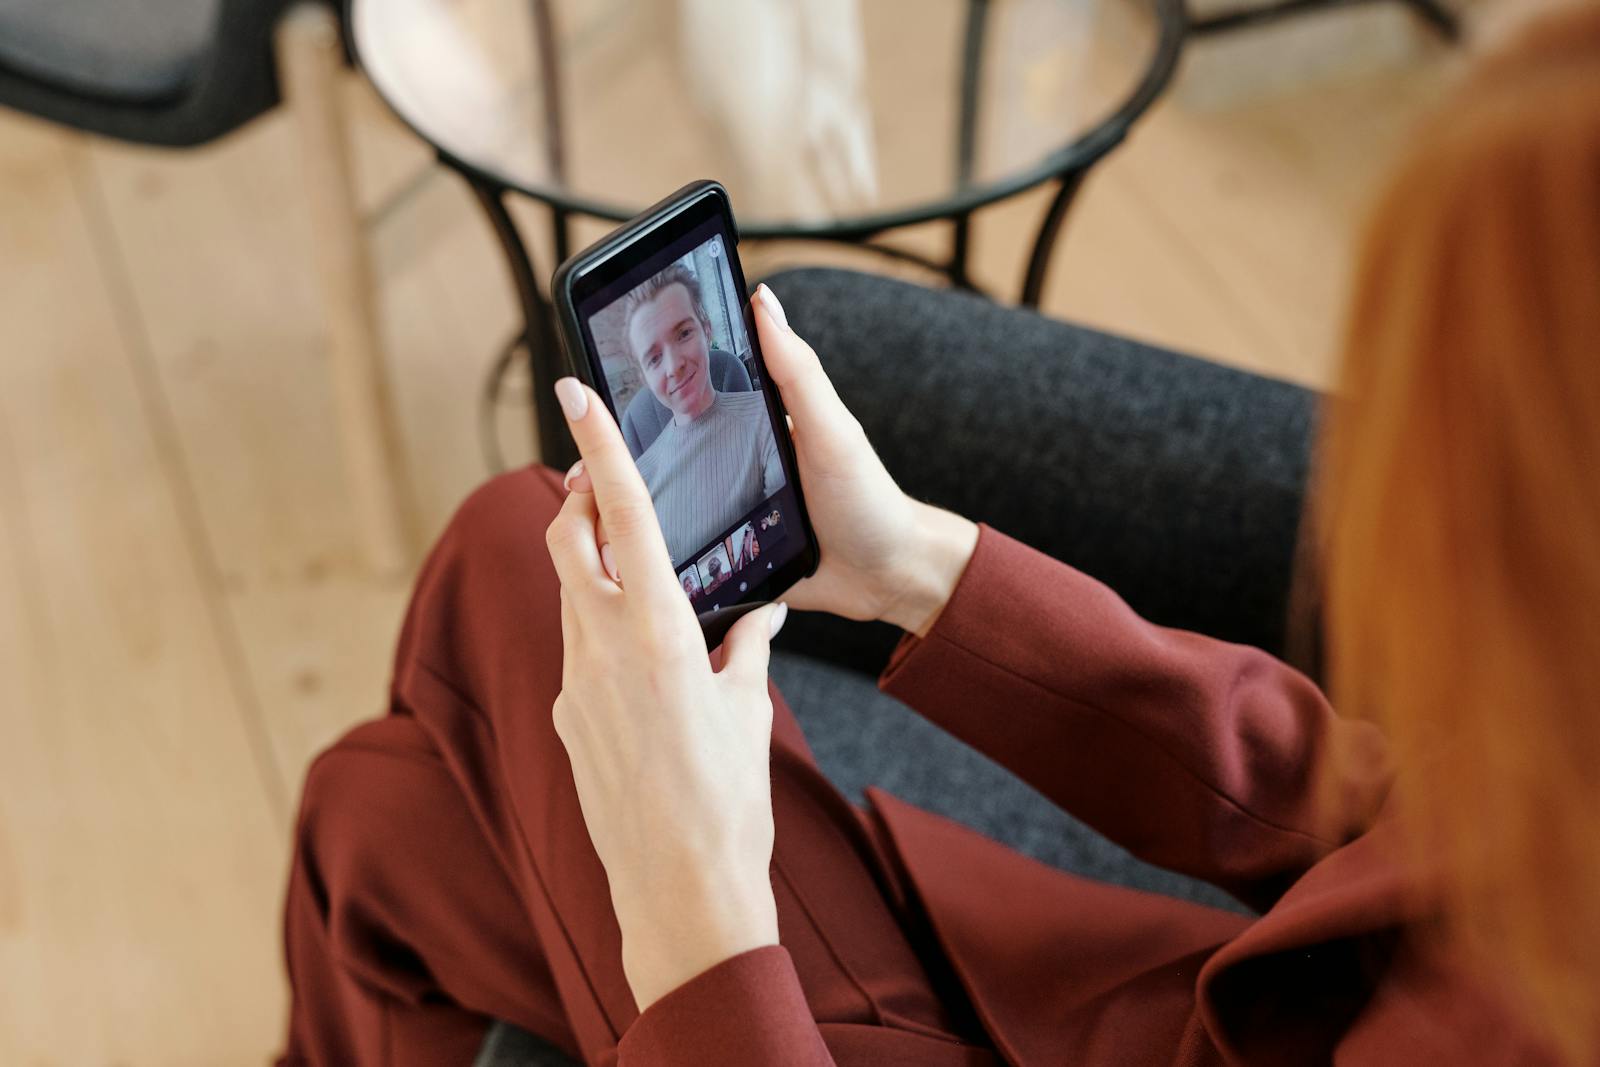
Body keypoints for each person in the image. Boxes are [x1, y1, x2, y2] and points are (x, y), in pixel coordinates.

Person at [275, 9, 1600, 1065]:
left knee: (500, 581)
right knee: (379, 826)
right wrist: (914, 562)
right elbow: (1393, 805)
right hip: (1150, 999)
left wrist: (702, 921)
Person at [621, 262, 784, 566]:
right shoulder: (638, 480)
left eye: (683, 333)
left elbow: (784, 528)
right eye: (654, 359)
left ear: (706, 330)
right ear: (643, 376)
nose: (673, 366)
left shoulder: (764, 417)